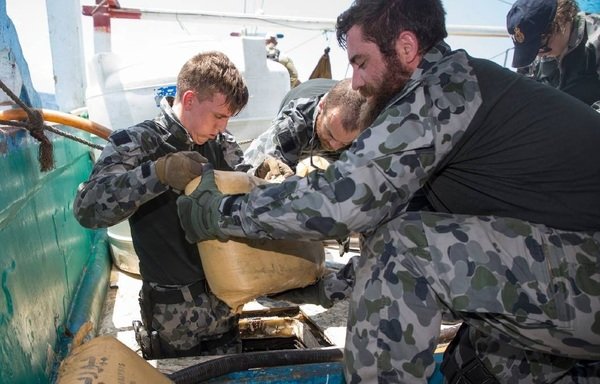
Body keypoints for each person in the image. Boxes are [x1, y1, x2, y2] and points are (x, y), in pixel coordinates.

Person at [176, 1, 600, 383]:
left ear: (407, 47)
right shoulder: (458, 113)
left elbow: (343, 200)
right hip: (572, 264)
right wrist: (327, 286)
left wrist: (223, 211)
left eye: (361, 63)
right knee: (474, 366)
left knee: (402, 249)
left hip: (587, 268)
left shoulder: (445, 87)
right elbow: (389, 221)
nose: (356, 82)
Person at [73, 51, 249, 359]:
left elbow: (248, 192)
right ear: (190, 99)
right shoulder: (138, 142)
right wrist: (158, 174)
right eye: (219, 116)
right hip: (172, 315)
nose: (222, 127)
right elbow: (87, 208)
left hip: (224, 303)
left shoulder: (222, 144)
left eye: (228, 119)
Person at [243, 78, 370, 179]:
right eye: (330, 134)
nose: (335, 146)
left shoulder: (369, 129)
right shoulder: (294, 127)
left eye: (345, 142)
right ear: (322, 105)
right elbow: (262, 174)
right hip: (304, 117)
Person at [507, 0, 600, 105]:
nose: (538, 55)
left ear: (561, 22)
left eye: (540, 46)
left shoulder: (596, 39)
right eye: (530, 50)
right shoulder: (532, 59)